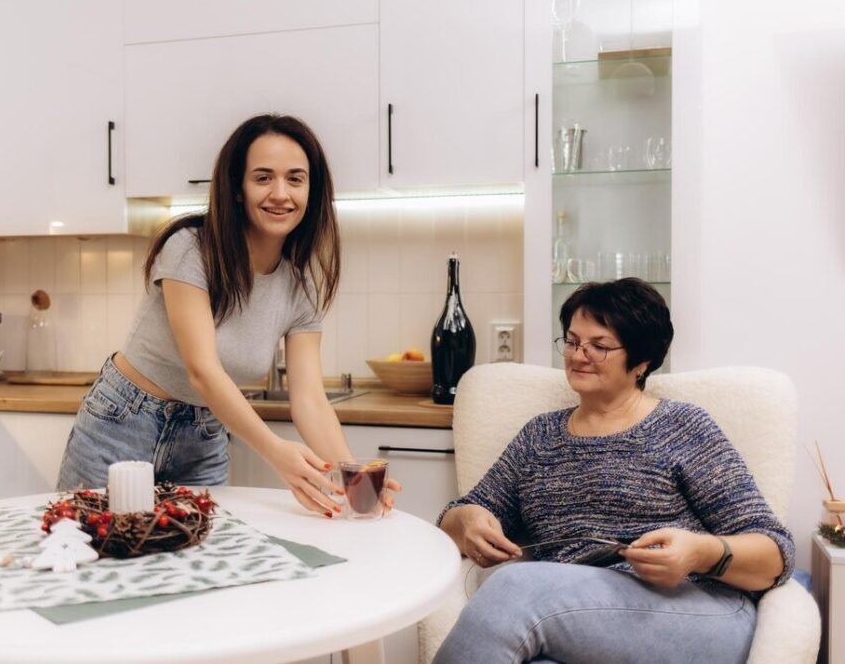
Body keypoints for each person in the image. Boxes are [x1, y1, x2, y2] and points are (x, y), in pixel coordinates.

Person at [433, 278, 794, 663]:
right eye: (572, 342)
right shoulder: (539, 436)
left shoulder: (682, 428)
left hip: (696, 610)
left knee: (512, 588)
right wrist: (468, 521)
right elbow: (453, 522)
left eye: (599, 346)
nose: (578, 356)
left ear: (641, 361)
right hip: (576, 615)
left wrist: (699, 553)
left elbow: (775, 553)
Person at [57, 113, 399, 517]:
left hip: (203, 438)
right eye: (263, 177)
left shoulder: (300, 285)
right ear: (237, 188)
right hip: (122, 423)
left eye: (295, 179)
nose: (280, 193)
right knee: (85, 544)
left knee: (201, 552)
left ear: (312, 190)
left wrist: (354, 475)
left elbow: (309, 399)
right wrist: (277, 453)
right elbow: (202, 370)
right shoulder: (190, 248)